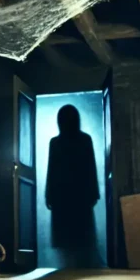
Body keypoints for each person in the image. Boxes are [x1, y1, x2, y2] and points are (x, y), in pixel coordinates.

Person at [45, 104, 99, 267]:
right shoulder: (84, 139)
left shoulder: (56, 142)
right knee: (79, 234)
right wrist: (93, 193)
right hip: (78, 193)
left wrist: (49, 194)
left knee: (68, 235)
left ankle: (69, 267)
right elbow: (91, 168)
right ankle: (75, 267)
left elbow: (52, 170)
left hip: (64, 194)